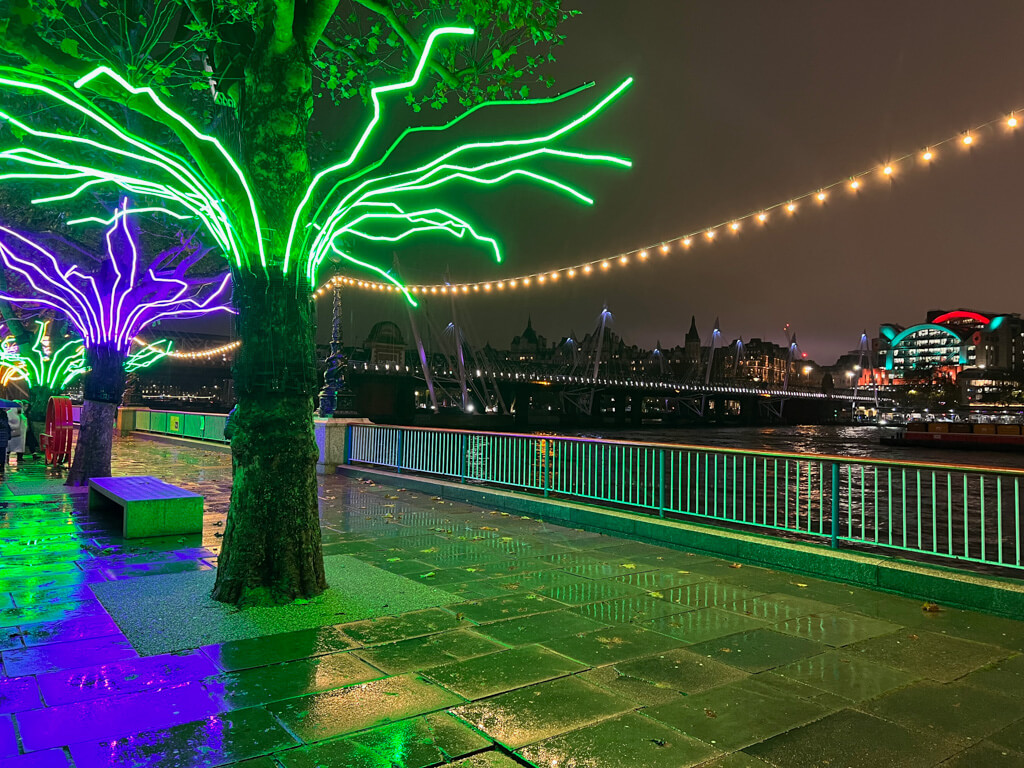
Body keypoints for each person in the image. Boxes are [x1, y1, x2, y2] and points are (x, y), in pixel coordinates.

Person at [0, 410, 11, 476]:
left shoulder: (4, 416)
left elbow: (5, 425)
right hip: (4, 435)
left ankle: (2, 465)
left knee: (2, 451)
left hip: (3, 436)